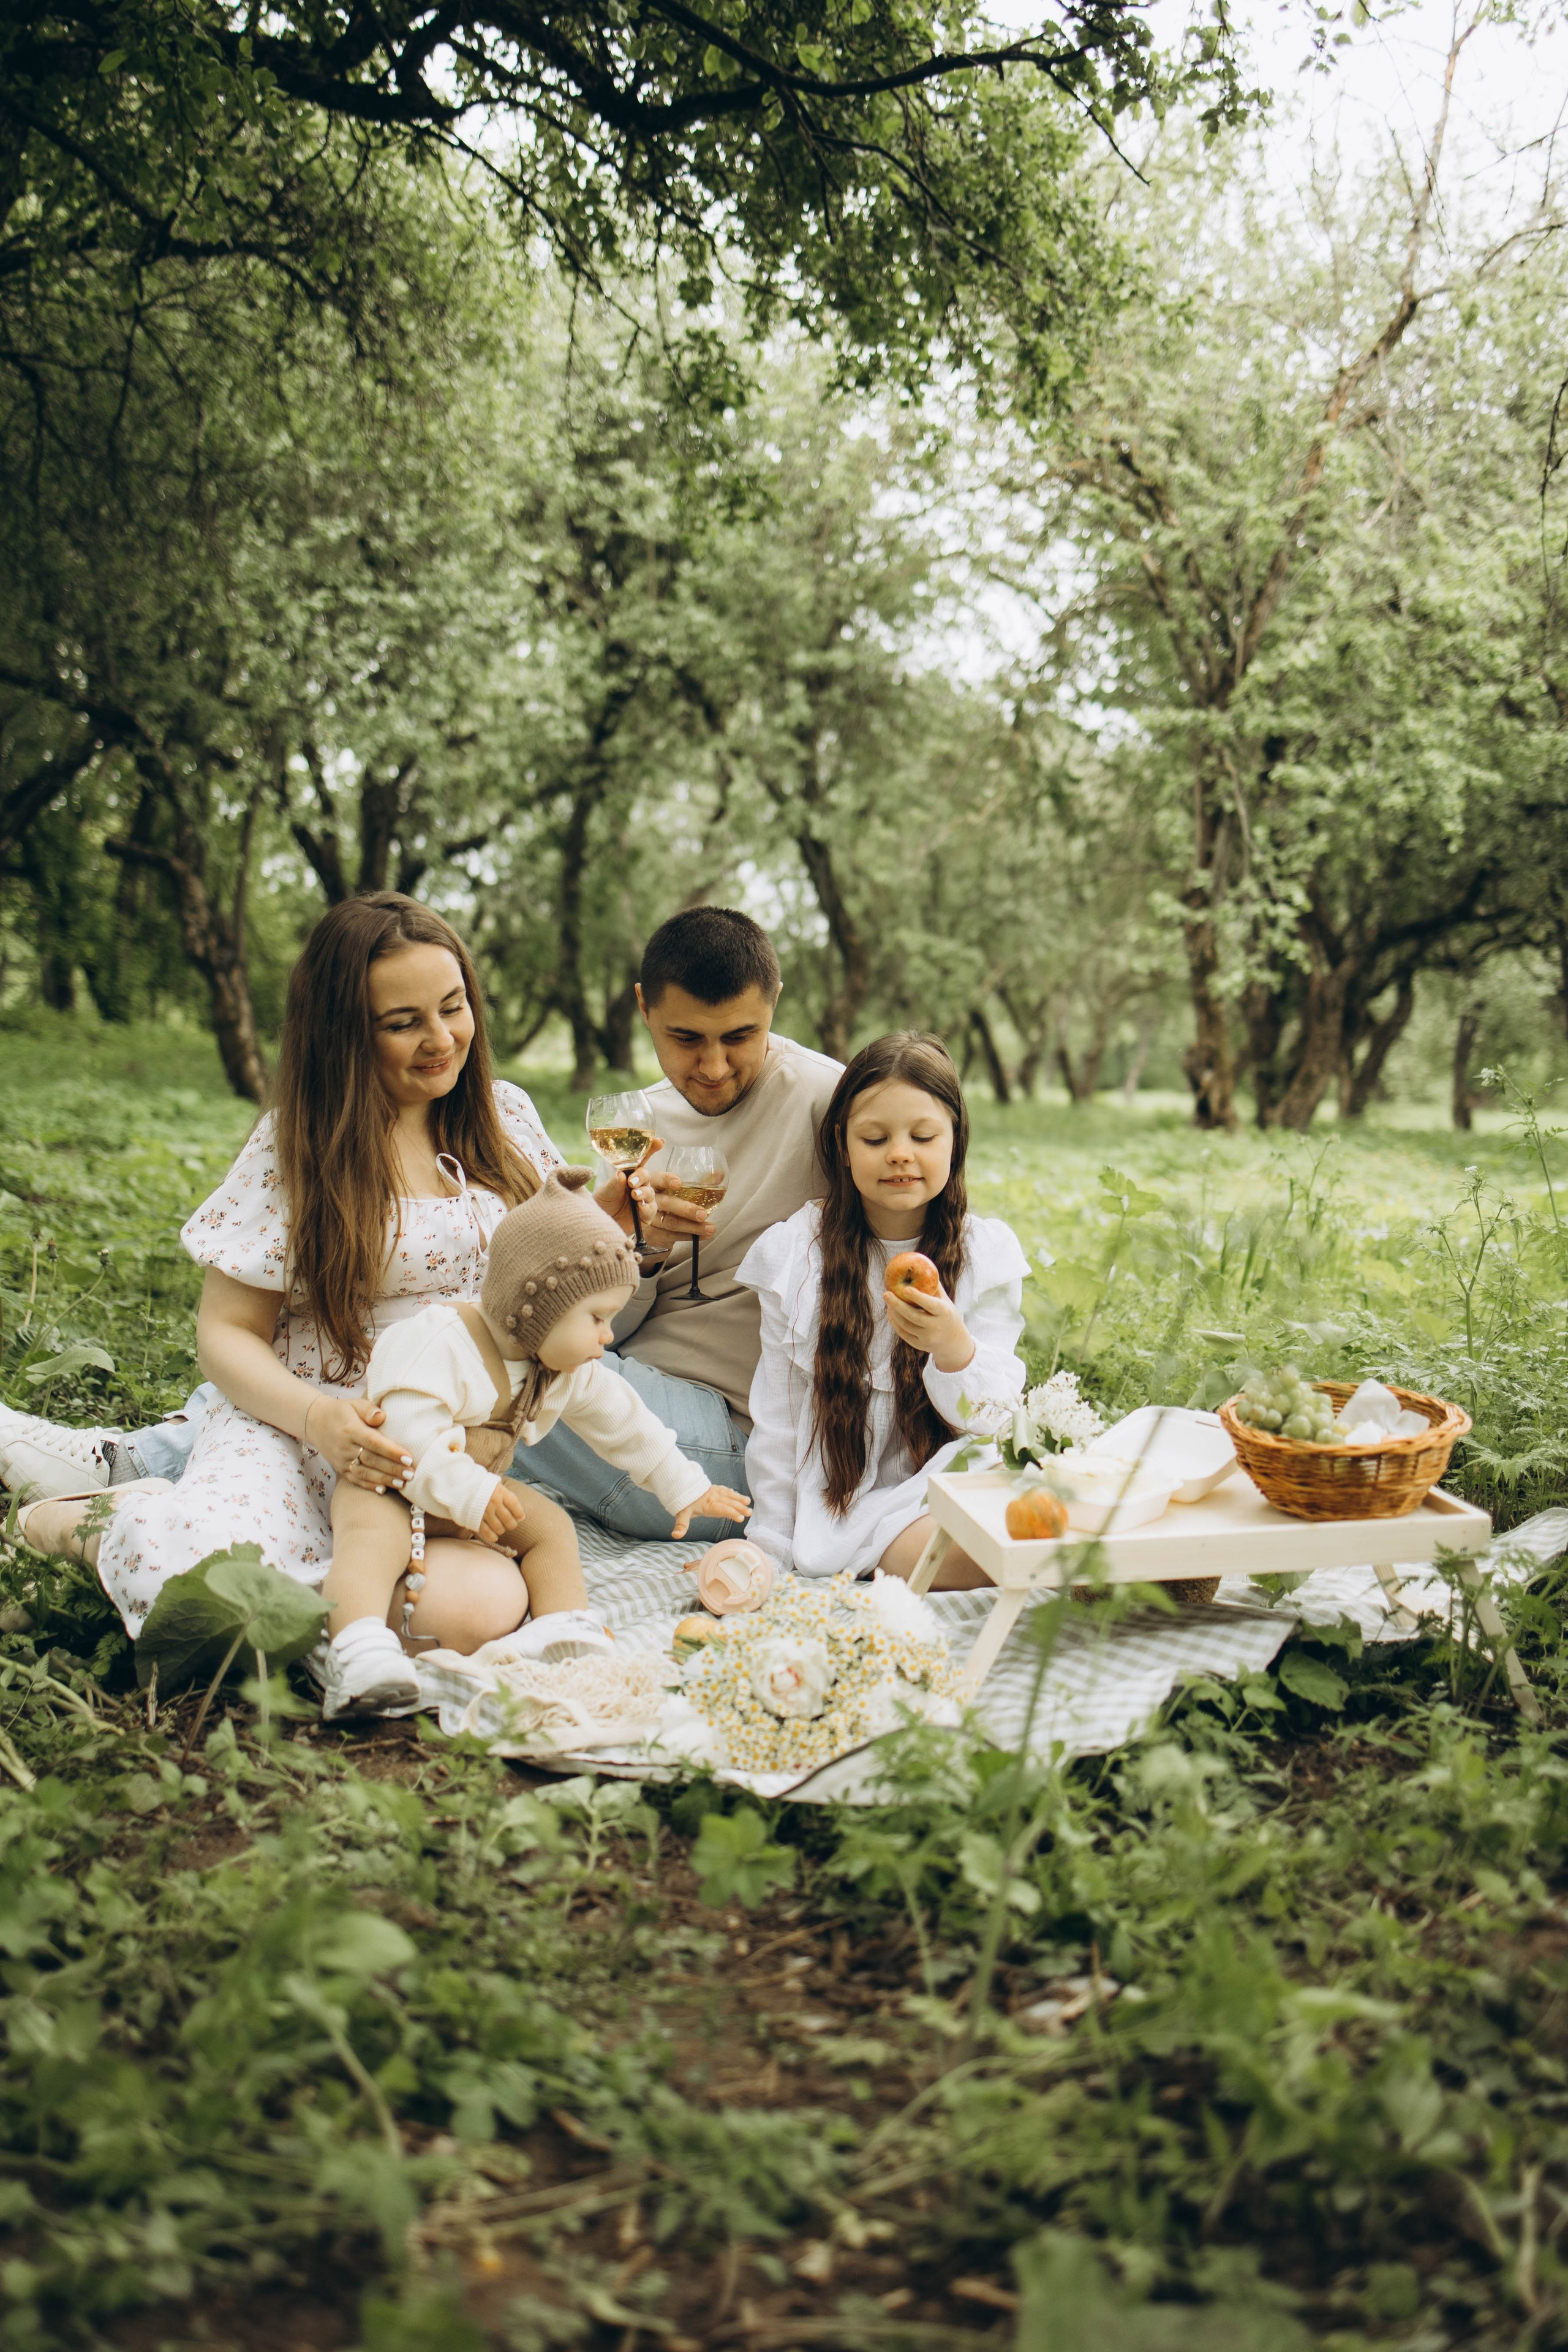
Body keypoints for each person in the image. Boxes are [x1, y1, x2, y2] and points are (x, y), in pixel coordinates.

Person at [12, 894, 598, 1708]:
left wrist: (632, 1227)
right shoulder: (299, 1147)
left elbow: (559, 1282)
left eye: (454, 1006)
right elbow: (225, 1334)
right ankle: (92, 1521)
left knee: (477, 1611)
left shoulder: (507, 1124)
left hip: (444, 1448)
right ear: (345, 1032)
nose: (441, 1040)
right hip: (306, 1426)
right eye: (403, 1022)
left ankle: (308, 1600)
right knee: (214, 1601)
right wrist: (319, 1420)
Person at [325, 1168, 749, 1716]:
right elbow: (409, 1432)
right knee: (371, 1538)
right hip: (394, 1486)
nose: (607, 1336)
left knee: (548, 1525)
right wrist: (472, 1493)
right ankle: (357, 1650)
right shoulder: (438, 1342)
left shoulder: (557, 1367)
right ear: (536, 1306)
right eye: (597, 1318)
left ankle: (564, 1627)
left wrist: (685, 1487)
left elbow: (625, 1423)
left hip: (472, 1504)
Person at [509, 907, 842, 1538]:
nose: (713, 1068)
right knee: (489, 1343)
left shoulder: (830, 1105)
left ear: (775, 1000)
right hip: (630, 1401)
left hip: (738, 1449)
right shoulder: (640, 1128)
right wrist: (636, 1250)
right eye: (686, 1039)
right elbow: (610, 1330)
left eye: (741, 1036)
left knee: (492, 1368)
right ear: (644, 1009)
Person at [736, 1032, 1028, 1587]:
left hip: (956, 1480)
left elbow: (992, 1419)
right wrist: (767, 1549)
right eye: (875, 1138)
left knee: (1030, 1497)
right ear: (843, 1145)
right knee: (989, 1545)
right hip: (858, 1512)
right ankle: (1074, 1565)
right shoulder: (798, 1257)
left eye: (923, 1136)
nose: (900, 1153)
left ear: (955, 1142)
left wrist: (951, 1347)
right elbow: (778, 1421)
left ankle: (1111, 1558)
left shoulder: (983, 1255)